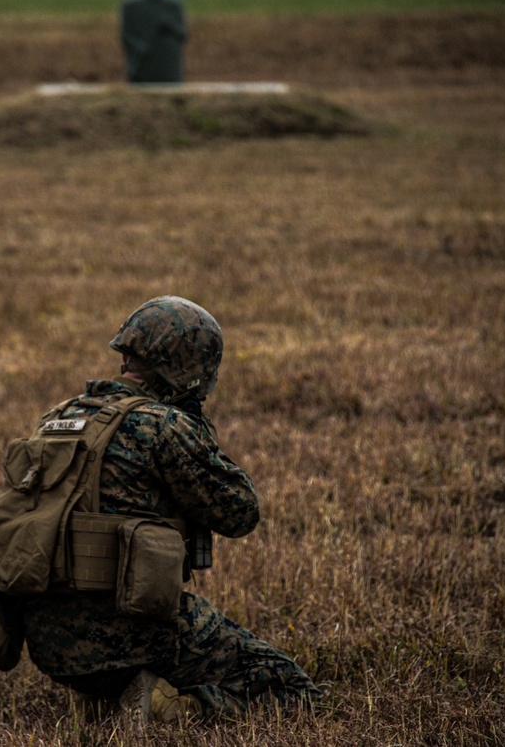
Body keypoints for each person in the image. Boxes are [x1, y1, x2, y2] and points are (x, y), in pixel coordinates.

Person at [17, 296, 320, 721]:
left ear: (127, 357)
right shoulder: (163, 426)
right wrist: (196, 428)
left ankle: (106, 693)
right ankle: (171, 707)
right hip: (127, 633)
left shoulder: (58, 417)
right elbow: (240, 512)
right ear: (190, 370)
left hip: (48, 642)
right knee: (293, 689)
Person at [120, 0, 187, 83]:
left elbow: (183, 34)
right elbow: (126, 36)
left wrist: (170, 24)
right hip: (142, 64)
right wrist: (139, 46)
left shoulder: (172, 4)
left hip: (167, 69)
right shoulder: (131, 6)